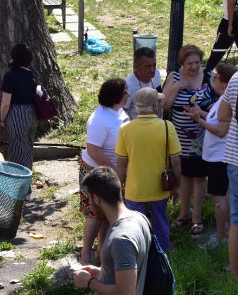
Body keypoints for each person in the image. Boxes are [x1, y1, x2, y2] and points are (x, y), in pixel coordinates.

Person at [116, 87, 182, 252]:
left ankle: (138, 256)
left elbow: (121, 163)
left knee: (135, 227)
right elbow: (176, 161)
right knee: (161, 224)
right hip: (160, 188)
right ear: (155, 106)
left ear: (137, 108)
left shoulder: (126, 129)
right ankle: (162, 258)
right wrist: (178, 186)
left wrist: (120, 186)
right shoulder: (167, 127)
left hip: (134, 190)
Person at [72, 166, 152, 295]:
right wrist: (101, 273)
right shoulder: (139, 218)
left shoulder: (121, 239)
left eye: (90, 199)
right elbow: (130, 272)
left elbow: (126, 292)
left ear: (97, 199)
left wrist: (89, 282)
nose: (90, 203)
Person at [162, 44, 213, 235]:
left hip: (202, 136)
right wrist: (177, 87)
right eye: (190, 63)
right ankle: (183, 214)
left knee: (199, 177)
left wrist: (202, 113)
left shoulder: (208, 76)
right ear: (182, 63)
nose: (194, 66)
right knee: (183, 175)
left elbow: (219, 105)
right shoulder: (174, 77)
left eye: (197, 63)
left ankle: (197, 218)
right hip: (179, 137)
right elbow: (164, 105)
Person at [185, 63, 238, 247]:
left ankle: (221, 236)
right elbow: (215, 119)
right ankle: (228, 232)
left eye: (214, 77)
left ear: (223, 81)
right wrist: (202, 113)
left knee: (219, 197)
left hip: (219, 157)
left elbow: (221, 131)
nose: (211, 79)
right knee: (222, 196)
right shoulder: (222, 98)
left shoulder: (228, 100)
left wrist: (199, 120)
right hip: (214, 156)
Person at [79, 78, 129, 264]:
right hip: (96, 171)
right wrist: (114, 170)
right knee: (95, 214)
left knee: (108, 213)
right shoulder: (99, 119)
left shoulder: (117, 110)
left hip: (112, 170)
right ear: (116, 96)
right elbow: (93, 149)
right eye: (125, 92)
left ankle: (101, 252)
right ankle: (85, 254)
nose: (128, 95)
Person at [0, 44, 39, 170]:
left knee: (17, 152)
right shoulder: (32, 74)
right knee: (27, 149)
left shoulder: (10, 76)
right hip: (32, 112)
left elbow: (5, 103)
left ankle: (20, 186)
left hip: (17, 114)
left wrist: (2, 119)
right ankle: (27, 182)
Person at [217, 67, 238, 278]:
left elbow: (222, 115)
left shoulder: (237, 77)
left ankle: (235, 274)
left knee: (237, 220)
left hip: (236, 159)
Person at [123, 46, 163, 120]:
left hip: (157, 125)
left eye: (154, 65)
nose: (152, 69)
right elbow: (122, 111)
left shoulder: (157, 73)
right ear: (136, 66)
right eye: (148, 66)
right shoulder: (129, 85)